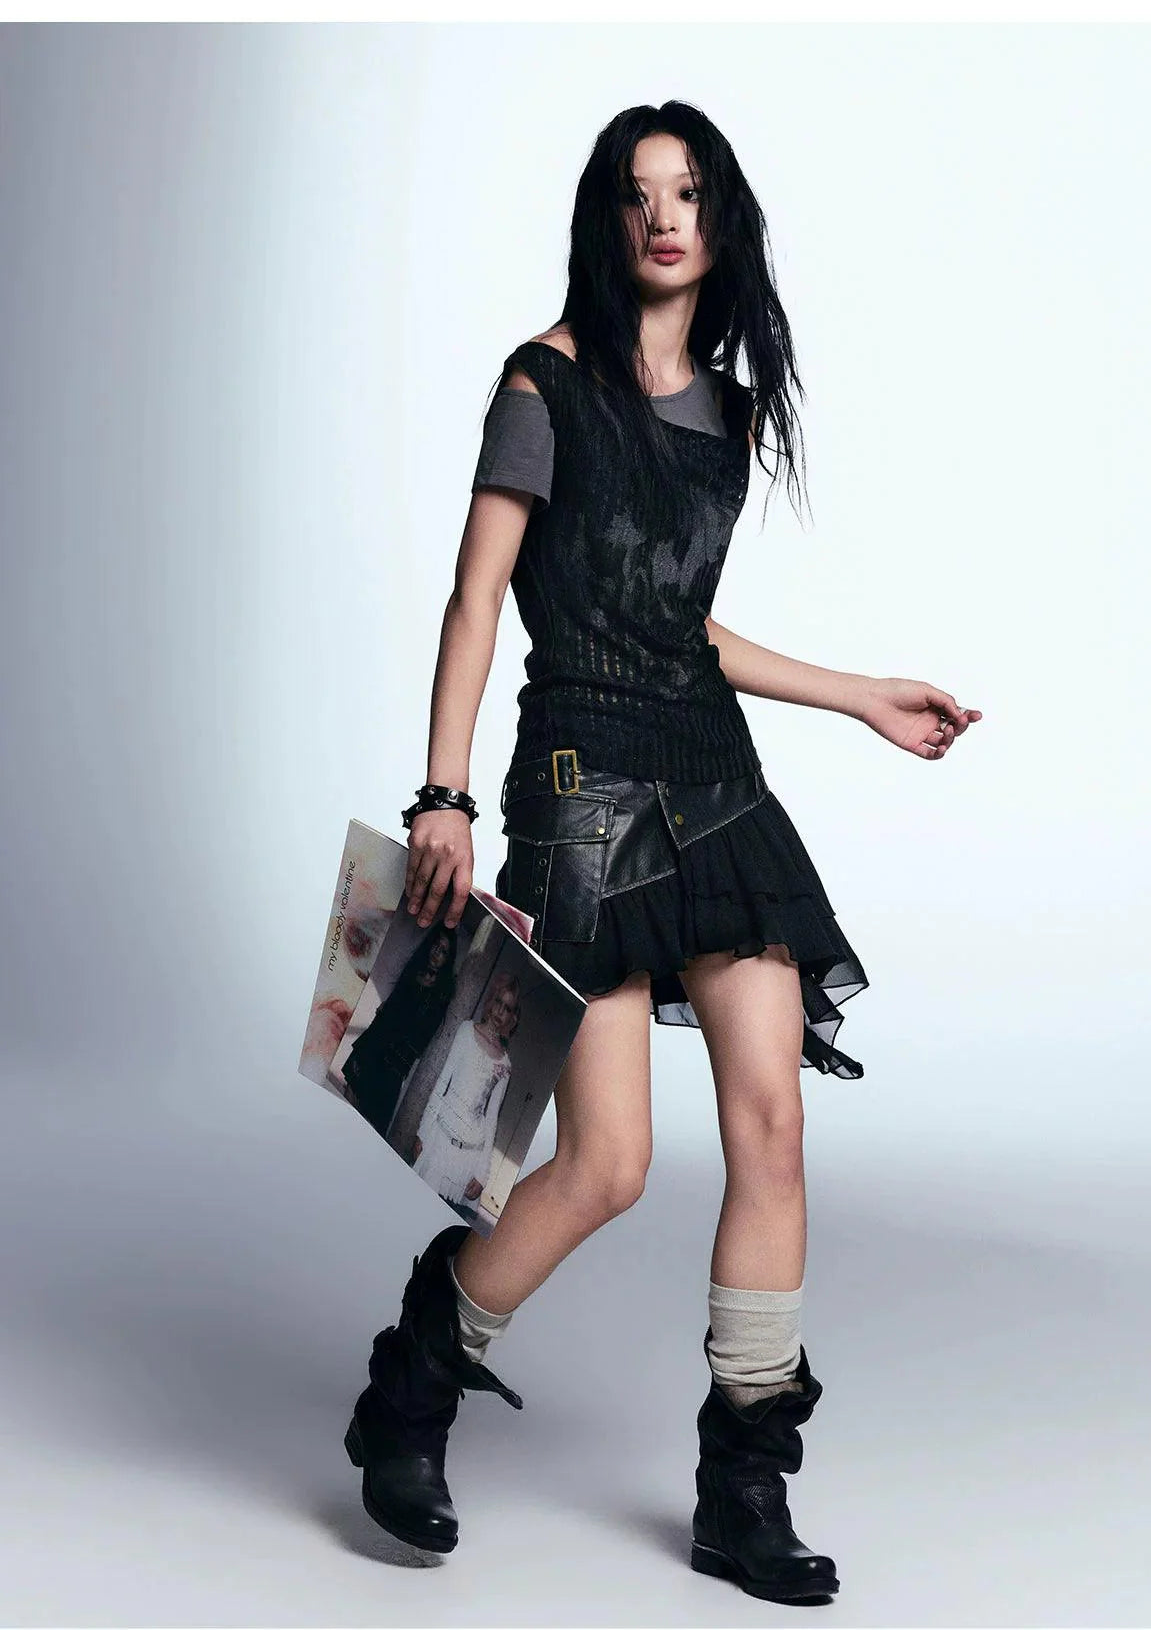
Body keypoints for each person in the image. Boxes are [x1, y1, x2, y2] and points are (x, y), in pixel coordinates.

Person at [343, 100, 983, 1603]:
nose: (665, 218)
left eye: (688, 192)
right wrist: (444, 795)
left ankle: (743, 1484)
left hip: (714, 782)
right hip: (581, 792)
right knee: (609, 1164)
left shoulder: (732, 415)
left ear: (719, 217)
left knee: (774, 1125)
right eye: (640, 195)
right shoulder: (545, 381)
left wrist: (858, 693)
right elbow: (477, 595)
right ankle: (415, 1377)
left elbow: (678, 622)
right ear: (609, 219)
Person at [409, 973, 519, 1221]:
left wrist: (482, 1173)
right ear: (491, 1001)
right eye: (498, 1002)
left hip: (468, 1154)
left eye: (507, 1008)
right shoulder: (467, 1031)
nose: (500, 1011)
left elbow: (491, 1119)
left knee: (440, 1221)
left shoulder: (505, 1065)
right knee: (414, 1207)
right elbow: (442, 1083)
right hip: (439, 1138)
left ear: (512, 1018)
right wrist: (423, 1131)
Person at [342, 923, 457, 1137]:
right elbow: (394, 1002)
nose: (436, 953)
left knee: (370, 1121)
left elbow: (423, 1035)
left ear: (448, 959)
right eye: (435, 945)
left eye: (443, 951)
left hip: (395, 1059)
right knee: (350, 1094)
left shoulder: (442, 992)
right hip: (376, 1040)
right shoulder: (414, 969)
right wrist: (385, 1008)